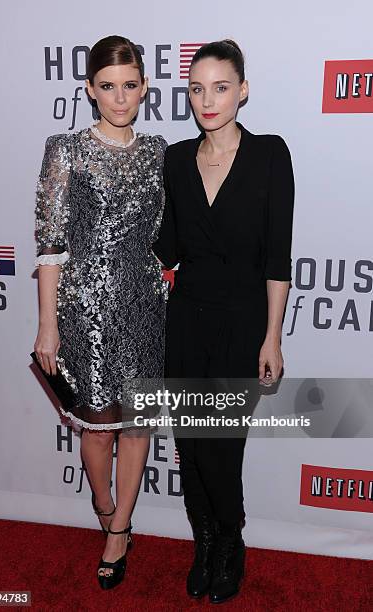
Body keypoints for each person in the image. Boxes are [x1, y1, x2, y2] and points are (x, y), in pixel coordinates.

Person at [152, 39, 294, 604]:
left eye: (220, 86)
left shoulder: (270, 155)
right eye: (196, 88)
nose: (207, 100)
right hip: (185, 320)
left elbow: (277, 257)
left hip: (242, 324)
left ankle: (230, 539)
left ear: (243, 90)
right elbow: (166, 247)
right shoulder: (175, 159)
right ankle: (203, 540)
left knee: (222, 441)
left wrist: (272, 337)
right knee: (191, 438)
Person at [33, 35, 168, 590]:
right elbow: (50, 243)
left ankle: (120, 531)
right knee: (96, 430)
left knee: (136, 427)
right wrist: (48, 324)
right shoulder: (63, 149)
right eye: (108, 87)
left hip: (145, 307)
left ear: (144, 89)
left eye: (130, 86)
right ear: (89, 90)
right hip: (85, 309)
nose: (120, 98)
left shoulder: (162, 151)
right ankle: (105, 502)